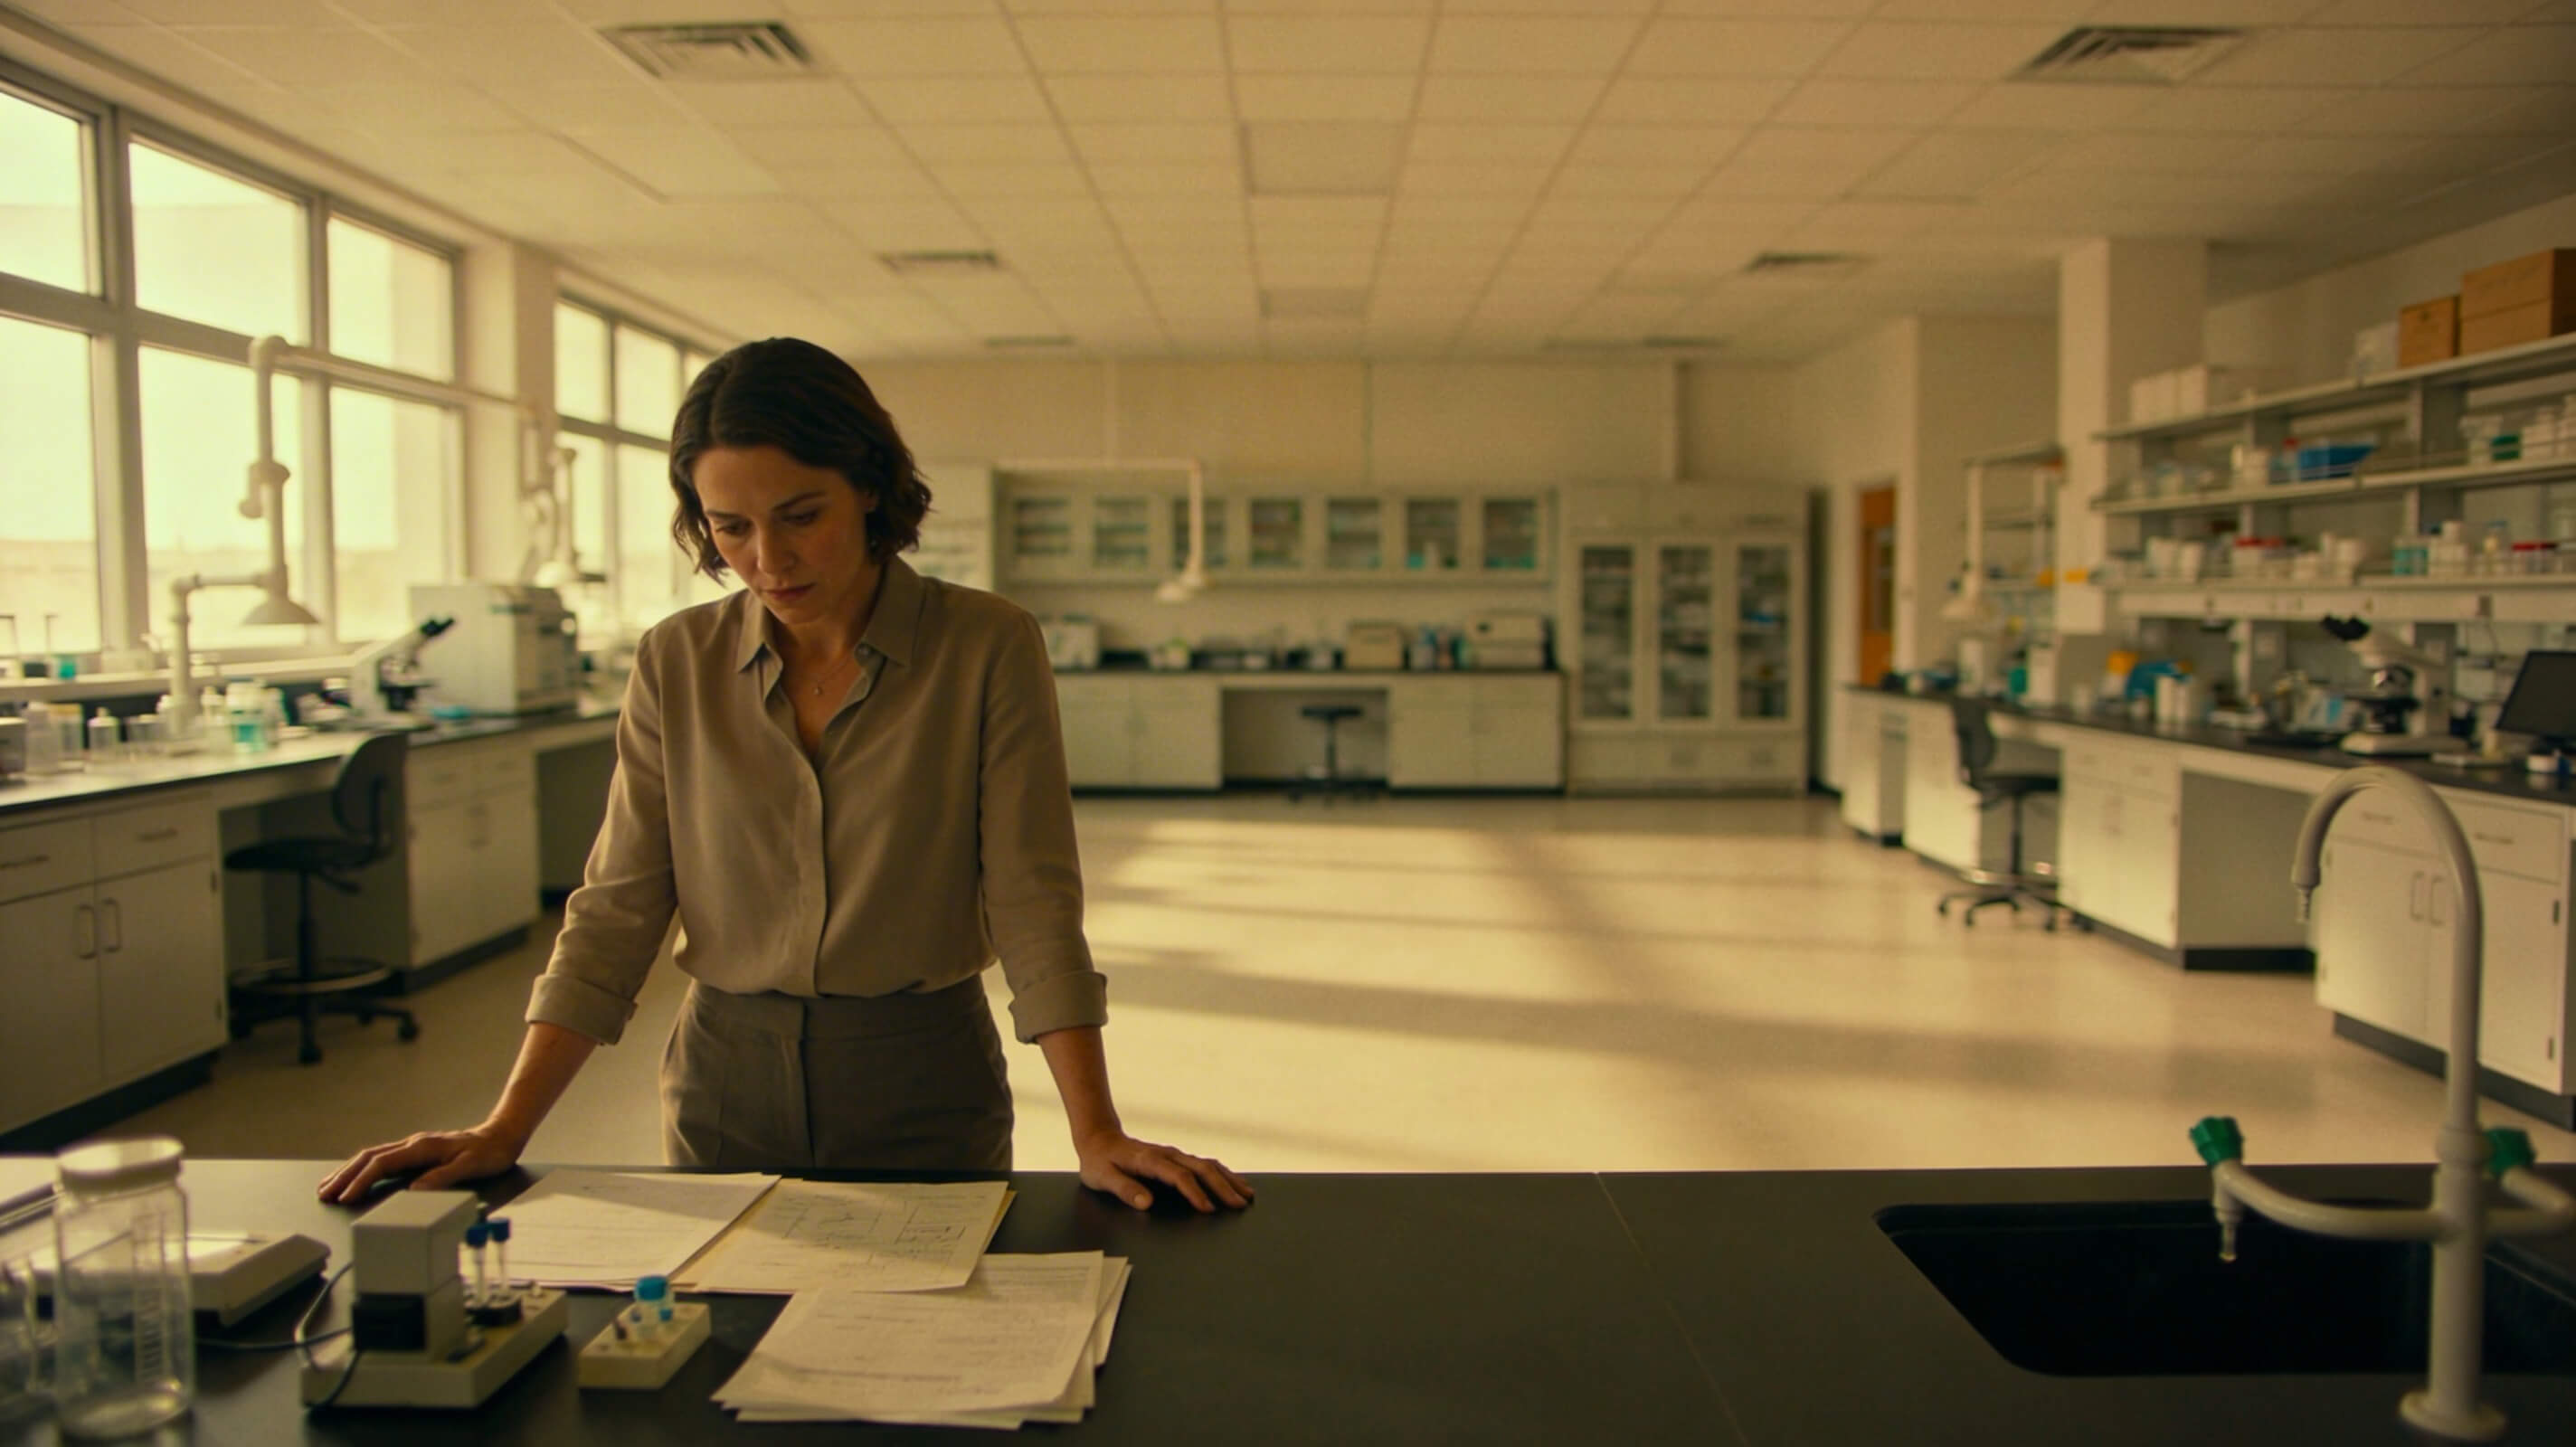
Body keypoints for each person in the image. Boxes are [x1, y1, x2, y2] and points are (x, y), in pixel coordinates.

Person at [320, 338, 1252, 1215]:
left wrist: (1095, 1129)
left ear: (872, 492)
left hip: (922, 1076)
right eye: (731, 527)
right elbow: (617, 909)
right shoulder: (675, 660)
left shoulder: (985, 645)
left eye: (802, 516)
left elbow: (1031, 899)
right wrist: (503, 1127)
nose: (768, 560)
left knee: (921, 1358)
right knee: (725, 1352)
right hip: (725, 1078)